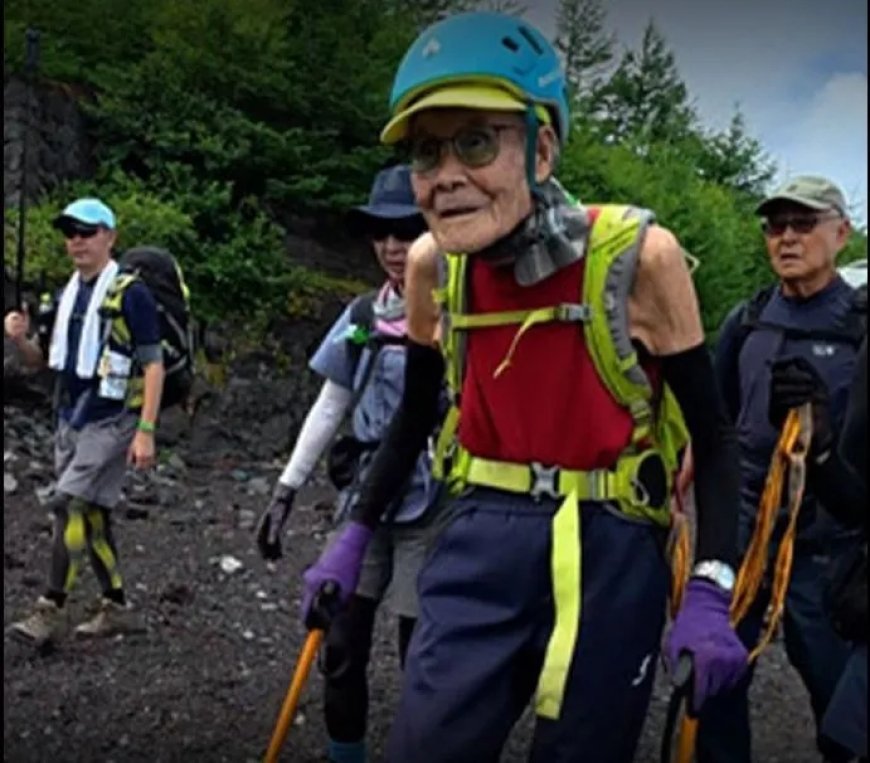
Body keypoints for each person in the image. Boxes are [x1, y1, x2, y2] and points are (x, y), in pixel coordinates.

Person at [298, 12, 748, 762]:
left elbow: (715, 435)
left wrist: (710, 585)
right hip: (478, 532)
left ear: (541, 150)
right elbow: (413, 418)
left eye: (477, 142)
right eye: (426, 151)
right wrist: (356, 534)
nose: (445, 175)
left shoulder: (642, 259)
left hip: (611, 544)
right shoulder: (431, 267)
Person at [255, 165, 441, 763]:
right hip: (363, 496)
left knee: (421, 654)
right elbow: (331, 402)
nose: (392, 245)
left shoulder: (457, 315)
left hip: (435, 501)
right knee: (339, 643)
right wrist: (287, 488)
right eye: (381, 232)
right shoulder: (362, 316)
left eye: (407, 230)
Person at [700, 176, 865, 762]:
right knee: (713, 680)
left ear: (841, 234)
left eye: (803, 223)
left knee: (839, 701)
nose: (787, 237)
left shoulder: (860, 326)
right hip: (746, 532)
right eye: (776, 226)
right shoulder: (746, 321)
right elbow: (713, 427)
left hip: (828, 546)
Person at [5, 197, 164, 647]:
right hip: (70, 418)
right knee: (92, 512)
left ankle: (50, 609)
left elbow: (153, 364)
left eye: (87, 232)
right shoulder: (65, 296)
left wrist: (146, 431)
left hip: (113, 419)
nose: (77, 241)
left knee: (68, 504)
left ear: (109, 237)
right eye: (70, 233)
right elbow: (40, 362)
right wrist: (20, 340)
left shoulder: (131, 294)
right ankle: (117, 606)